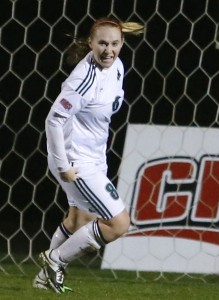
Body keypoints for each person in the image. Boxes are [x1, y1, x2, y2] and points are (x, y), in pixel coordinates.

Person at [35, 17, 144, 294]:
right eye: (103, 44)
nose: (109, 50)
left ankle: (42, 280)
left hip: (93, 157)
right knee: (119, 224)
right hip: (75, 161)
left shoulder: (117, 67)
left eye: (115, 44)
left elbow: (108, 105)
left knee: (78, 220)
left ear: (121, 43)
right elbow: (54, 121)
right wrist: (63, 166)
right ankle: (55, 261)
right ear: (91, 44)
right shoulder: (84, 78)